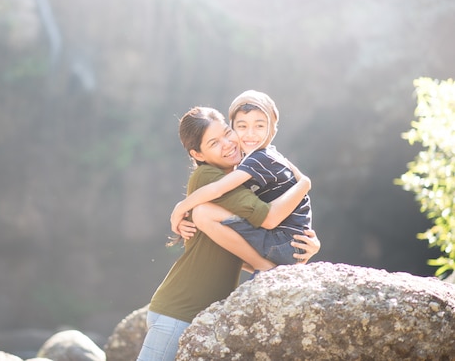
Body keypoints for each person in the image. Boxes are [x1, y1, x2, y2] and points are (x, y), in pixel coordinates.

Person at [136, 106, 319, 361]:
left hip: (198, 315)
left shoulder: (241, 177)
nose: (228, 144)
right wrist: (305, 184)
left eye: (226, 133)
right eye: (214, 143)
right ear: (197, 154)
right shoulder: (209, 177)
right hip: (179, 312)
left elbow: (238, 248)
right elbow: (268, 218)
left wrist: (305, 246)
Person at [170, 90, 312, 266]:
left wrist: (180, 208)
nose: (250, 134)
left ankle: (264, 268)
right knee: (214, 225)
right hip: (291, 246)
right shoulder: (268, 156)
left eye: (259, 126)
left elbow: (218, 188)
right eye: (242, 127)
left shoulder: (259, 159)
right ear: (233, 126)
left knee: (204, 213)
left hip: (283, 244)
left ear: (272, 129)